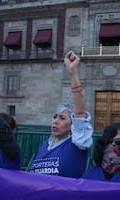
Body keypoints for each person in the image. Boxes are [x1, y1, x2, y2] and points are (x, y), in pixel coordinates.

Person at [29, 50, 93, 178]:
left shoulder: (78, 144)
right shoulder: (45, 145)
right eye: (54, 117)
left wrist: (72, 73)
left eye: (62, 118)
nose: (55, 121)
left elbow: (80, 113)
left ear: (72, 124)